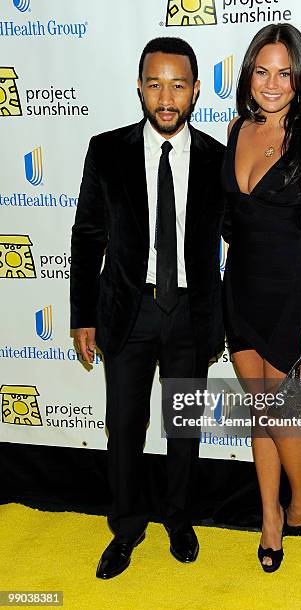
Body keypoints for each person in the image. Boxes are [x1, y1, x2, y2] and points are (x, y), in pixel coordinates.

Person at [70, 37, 225, 579]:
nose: (166, 97)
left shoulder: (216, 159)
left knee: (183, 428)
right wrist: (83, 315)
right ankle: (126, 528)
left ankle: (179, 520)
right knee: (125, 427)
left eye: (178, 85)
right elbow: (88, 237)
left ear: (196, 90)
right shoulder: (106, 150)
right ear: (139, 86)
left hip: (189, 314)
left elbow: (242, 240)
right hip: (127, 312)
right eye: (155, 84)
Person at [222, 23, 301, 572]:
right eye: (261, 71)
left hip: (288, 299)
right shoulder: (237, 127)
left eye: (283, 73)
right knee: (258, 414)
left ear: (299, 79)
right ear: (248, 75)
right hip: (238, 292)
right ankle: (270, 519)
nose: (271, 83)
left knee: (279, 415)